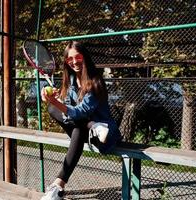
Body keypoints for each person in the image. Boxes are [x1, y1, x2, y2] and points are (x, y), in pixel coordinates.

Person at [40, 41, 122, 200]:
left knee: (76, 126)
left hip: (104, 137)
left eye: (78, 57)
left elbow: (80, 112)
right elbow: (70, 109)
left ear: (84, 56)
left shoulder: (95, 81)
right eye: (70, 59)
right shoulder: (71, 79)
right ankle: (93, 126)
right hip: (87, 129)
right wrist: (55, 98)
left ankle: (57, 186)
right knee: (51, 109)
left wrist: (56, 102)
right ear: (66, 61)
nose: (74, 61)